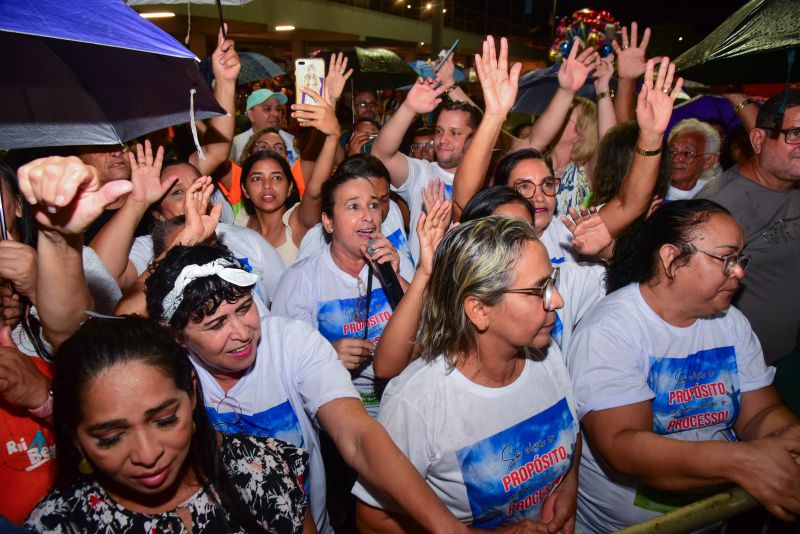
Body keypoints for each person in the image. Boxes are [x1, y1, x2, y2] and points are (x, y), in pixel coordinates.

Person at [143, 243, 501, 534]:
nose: (242, 331)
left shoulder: (291, 342)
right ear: (177, 336)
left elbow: (357, 434)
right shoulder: (164, 377)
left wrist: (446, 527)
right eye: (217, 323)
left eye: (244, 308)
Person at [567, 199, 800, 531]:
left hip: (713, 518)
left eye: (740, 258)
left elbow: (759, 412)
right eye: (726, 258)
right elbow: (623, 446)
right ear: (671, 258)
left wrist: (787, 438)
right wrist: (742, 462)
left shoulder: (730, 322)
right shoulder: (610, 330)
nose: (740, 271)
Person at [353, 217, 580, 532]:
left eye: (552, 282)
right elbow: (372, 521)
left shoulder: (548, 354)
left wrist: (567, 489)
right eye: (538, 289)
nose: (557, 300)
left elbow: (572, 432)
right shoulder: (417, 402)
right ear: (479, 310)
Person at [26, 316, 314, 533]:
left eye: (164, 421)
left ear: (190, 394)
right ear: (75, 436)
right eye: (111, 437)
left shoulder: (263, 469)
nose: (148, 455)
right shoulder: (58, 524)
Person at [454, 36, 681, 264]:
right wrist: (494, 113)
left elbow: (629, 204)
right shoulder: (489, 236)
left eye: (547, 184)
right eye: (524, 186)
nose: (540, 196)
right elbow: (463, 199)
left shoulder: (571, 235)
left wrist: (651, 137)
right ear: (502, 191)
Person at [271, 161, 413, 415]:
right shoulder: (300, 280)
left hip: (405, 404)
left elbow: (427, 335)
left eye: (373, 205)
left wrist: (396, 277)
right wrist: (328, 358)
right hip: (340, 415)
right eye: (353, 207)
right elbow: (282, 366)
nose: (368, 216)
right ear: (328, 222)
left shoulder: (393, 263)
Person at [697, 89, 800, 364]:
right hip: (745, 369)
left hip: (789, 352)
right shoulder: (719, 206)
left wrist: (739, 98)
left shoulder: (790, 184)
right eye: (796, 134)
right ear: (757, 140)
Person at [371, 77, 482, 263]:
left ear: (473, 139)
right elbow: (381, 155)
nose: (443, 139)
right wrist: (408, 108)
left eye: (454, 133)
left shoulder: (488, 180)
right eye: (439, 131)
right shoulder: (421, 172)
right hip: (424, 287)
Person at [232, 84, 340, 268]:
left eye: (277, 178)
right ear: (245, 189)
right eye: (257, 178)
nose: (267, 185)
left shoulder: (297, 221)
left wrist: (333, 135)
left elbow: (314, 191)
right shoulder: (240, 221)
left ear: (290, 186)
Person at [295, 155, 415, 274]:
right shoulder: (315, 240)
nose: (379, 211)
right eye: (355, 206)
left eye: (382, 200)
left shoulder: (393, 210)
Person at [231, 89, 295, 164]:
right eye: (267, 109)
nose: (276, 114)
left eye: (278, 109)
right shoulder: (236, 145)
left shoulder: (292, 141)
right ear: (251, 115)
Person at [665, 118, 721, 201]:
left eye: (687, 153)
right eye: (672, 151)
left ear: (709, 161)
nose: (676, 158)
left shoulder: (714, 196)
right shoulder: (649, 189)